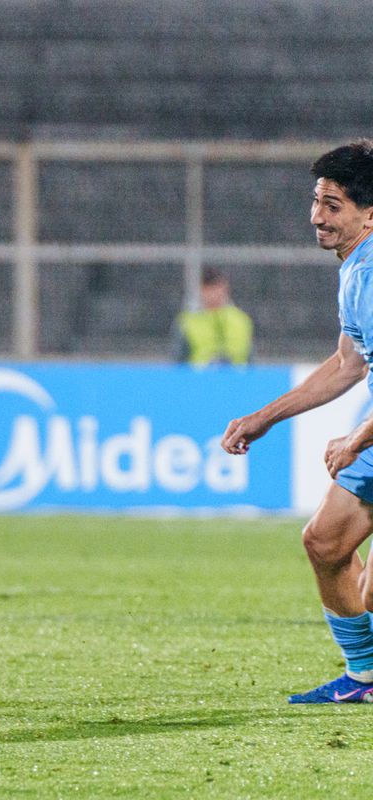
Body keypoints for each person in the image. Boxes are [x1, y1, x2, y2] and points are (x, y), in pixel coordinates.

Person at [222, 140, 373, 704]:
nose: (316, 217)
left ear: (369, 213)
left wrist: (356, 438)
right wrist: (264, 418)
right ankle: (364, 679)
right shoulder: (356, 269)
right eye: (316, 201)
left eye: (333, 205)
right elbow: (348, 363)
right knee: (326, 542)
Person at [173, 267, 254, 366]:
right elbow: (178, 363)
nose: (213, 293)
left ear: (225, 288)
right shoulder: (187, 322)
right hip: (201, 375)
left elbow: (250, 360)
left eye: (217, 287)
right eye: (209, 288)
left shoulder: (241, 320)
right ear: (201, 290)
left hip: (237, 375)